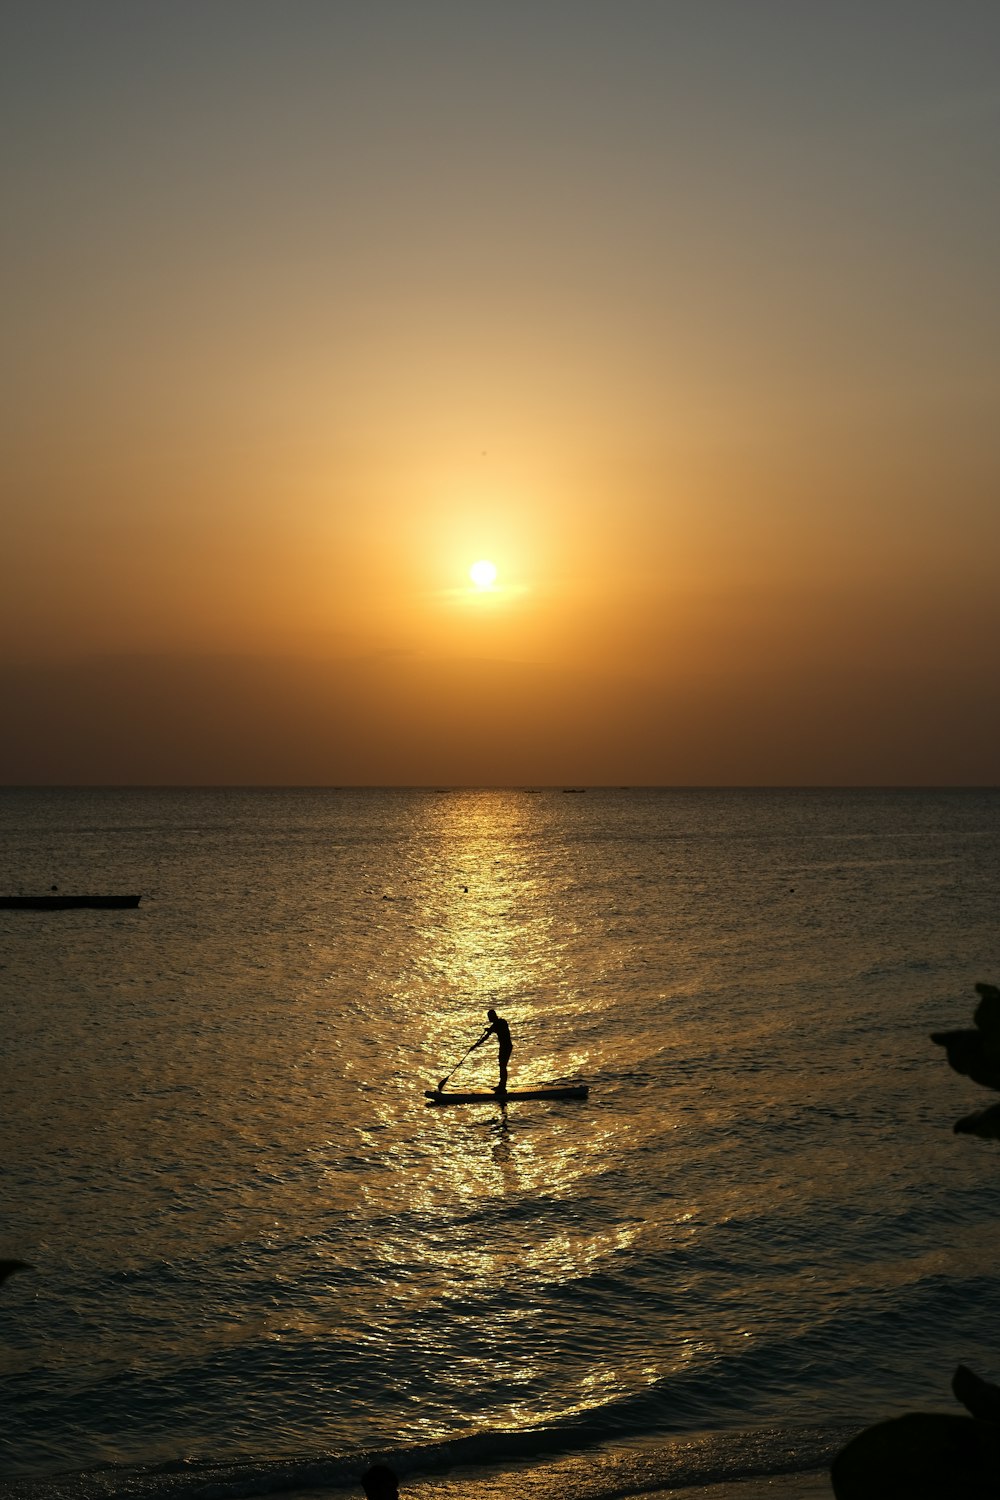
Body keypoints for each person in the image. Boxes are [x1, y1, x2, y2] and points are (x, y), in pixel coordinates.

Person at [472, 1007, 512, 1092]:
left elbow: (500, 1027)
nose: (488, 1019)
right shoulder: (495, 1025)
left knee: (503, 1066)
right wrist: (475, 1046)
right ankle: (501, 1085)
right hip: (503, 1047)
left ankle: (502, 1087)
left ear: (493, 1016)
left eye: (489, 1017)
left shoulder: (501, 1022)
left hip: (507, 1046)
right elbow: (485, 1037)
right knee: (502, 1065)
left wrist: (491, 1030)